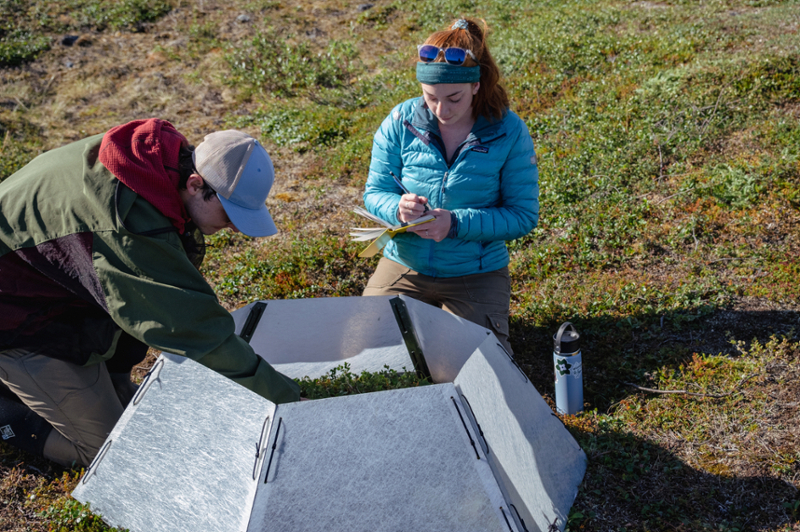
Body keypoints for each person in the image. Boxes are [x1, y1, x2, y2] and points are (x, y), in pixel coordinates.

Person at [0, 118, 301, 467]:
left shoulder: (156, 166)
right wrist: (285, 400)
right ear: (194, 183)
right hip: (15, 316)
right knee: (117, 454)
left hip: (55, 294)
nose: (234, 226)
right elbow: (191, 327)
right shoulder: (127, 221)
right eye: (230, 213)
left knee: (138, 420)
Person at [362, 18, 539, 354]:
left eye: (454, 98)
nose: (441, 110)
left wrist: (455, 224)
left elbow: (523, 215)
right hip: (405, 263)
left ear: (476, 85)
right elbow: (375, 192)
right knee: (366, 354)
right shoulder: (400, 121)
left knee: (474, 367)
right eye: (430, 97)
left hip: (475, 272)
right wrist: (397, 210)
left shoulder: (509, 131)